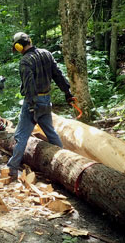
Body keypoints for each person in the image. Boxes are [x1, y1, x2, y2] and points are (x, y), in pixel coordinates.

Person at [6, 32, 74, 179]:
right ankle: (64, 162)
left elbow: (29, 85)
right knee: (50, 132)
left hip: (33, 102)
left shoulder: (25, 61)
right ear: (29, 41)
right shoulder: (46, 54)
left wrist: (31, 105)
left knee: (21, 136)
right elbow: (58, 75)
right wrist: (67, 92)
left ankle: (11, 169)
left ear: (18, 47)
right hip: (46, 100)